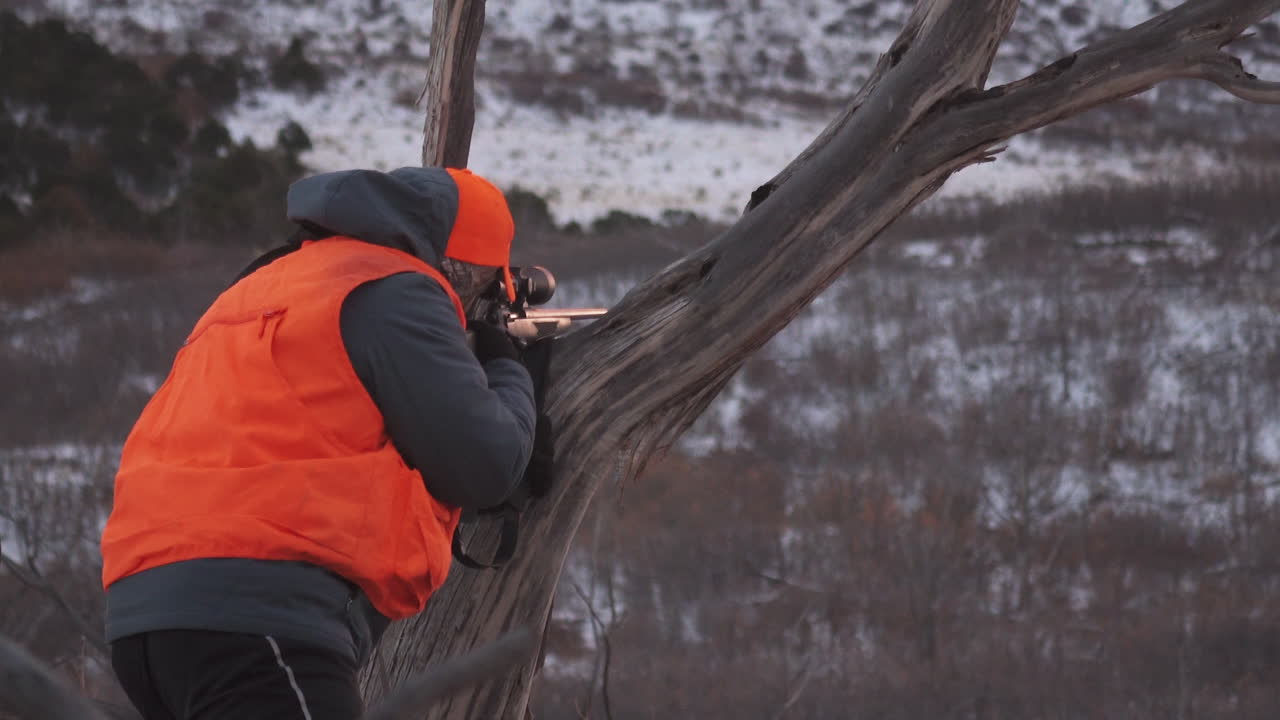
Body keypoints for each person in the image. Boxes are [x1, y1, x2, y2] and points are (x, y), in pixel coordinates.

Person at [99, 166, 537, 720]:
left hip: (146, 616)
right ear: (461, 264)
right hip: (261, 617)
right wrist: (505, 366)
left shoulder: (262, 284)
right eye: (483, 283)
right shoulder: (396, 289)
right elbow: (485, 466)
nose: (476, 298)